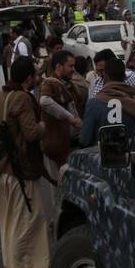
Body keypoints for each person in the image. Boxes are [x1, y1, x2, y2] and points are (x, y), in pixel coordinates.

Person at [0, 56, 49, 268]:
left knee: (8, 223)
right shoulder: (23, 98)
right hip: (20, 171)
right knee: (27, 223)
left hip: (0, 168)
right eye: (34, 75)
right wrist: (46, 126)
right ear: (27, 78)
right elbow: (32, 133)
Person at [81, 52, 135, 146]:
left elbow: (85, 140)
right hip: (130, 156)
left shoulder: (93, 104)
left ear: (106, 76)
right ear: (124, 76)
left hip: (101, 156)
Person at [39, 50, 82, 183]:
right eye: (70, 66)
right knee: (58, 187)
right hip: (56, 147)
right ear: (59, 67)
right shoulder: (50, 83)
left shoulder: (68, 83)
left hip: (70, 145)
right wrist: (71, 119)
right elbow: (44, 101)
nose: (73, 69)